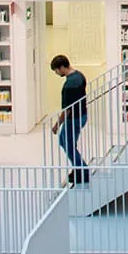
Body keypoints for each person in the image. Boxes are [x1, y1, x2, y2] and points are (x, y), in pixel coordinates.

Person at [50, 54, 90, 186]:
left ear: (61, 67)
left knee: (66, 144)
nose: (56, 73)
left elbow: (67, 110)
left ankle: (82, 170)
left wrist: (57, 125)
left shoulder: (68, 86)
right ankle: (77, 168)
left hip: (73, 118)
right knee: (67, 142)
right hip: (82, 115)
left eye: (56, 70)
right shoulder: (80, 75)